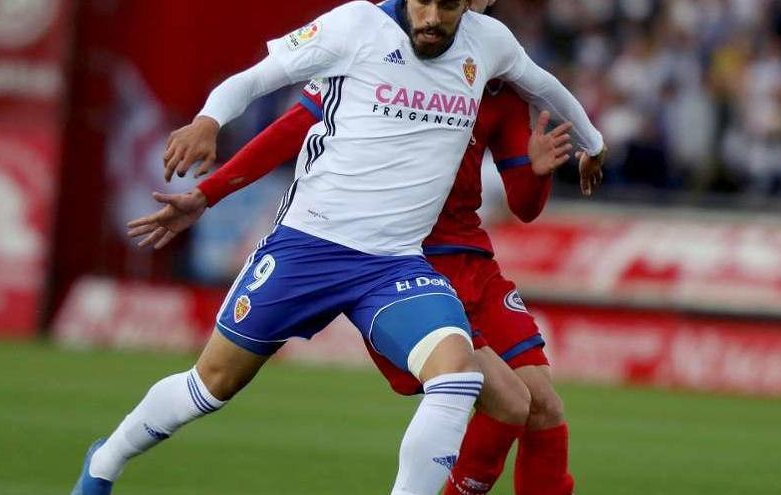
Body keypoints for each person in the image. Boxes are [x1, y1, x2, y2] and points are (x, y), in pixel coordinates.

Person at [72, 1, 605, 494]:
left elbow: (546, 87)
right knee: (211, 385)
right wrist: (210, 121)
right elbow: (259, 78)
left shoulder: (489, 44)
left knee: (458, 377)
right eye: (424, 0)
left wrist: (594, 144)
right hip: (309, 249)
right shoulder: (356, 26)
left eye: (449, 4)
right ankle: (105, 461)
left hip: (395, 265)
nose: (433, 16)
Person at [195, 74, 585, 494]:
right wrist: (208, 192)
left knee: (543, 405)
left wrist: (537, 172)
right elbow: (290, 128)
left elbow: (525, 207)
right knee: (508, 402)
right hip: (406, 262)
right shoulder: (388, 64)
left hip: (473, 262)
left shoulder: (500, 91)